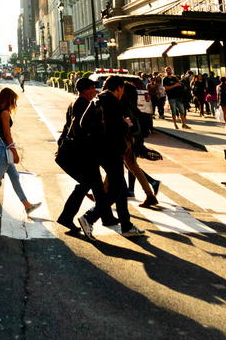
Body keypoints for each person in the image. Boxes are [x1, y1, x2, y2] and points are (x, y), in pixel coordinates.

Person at [77, 74, 145, 239]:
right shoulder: (112, 102)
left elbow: (82, 124)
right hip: (111, 150)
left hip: (99, 150)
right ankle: (89, 217)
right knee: (116, 190)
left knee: (120, 189)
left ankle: (126, 225)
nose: (122, 93)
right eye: (122, 90)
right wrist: (125, 124)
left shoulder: (97, 100)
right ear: (119, 88)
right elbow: (114, 128)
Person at [55, 76, 115, 231]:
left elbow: (68, 126)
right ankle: (67, 217)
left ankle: (106, 217)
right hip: (82, 153)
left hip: (81, 152)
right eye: (92, 88)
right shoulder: (83, 104)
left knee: (95, 186)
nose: (95, 90)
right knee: (91, 185)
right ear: (85, 90)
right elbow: (79, 129)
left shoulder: (78, 102)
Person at [0, 87, 40, 219]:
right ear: (9, 99)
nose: (14, 103)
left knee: (14, 176)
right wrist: (14, 152)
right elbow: (7, 134)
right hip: (4, 148)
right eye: (13, 100)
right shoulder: (5, 113)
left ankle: (27, 205)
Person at [120, 81, 160, 209]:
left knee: (117, 165)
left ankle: (103, 193)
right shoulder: (133, 107)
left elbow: (128, 124)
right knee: (132, 166)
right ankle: (150, 194)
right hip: (133, 139)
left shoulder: (124, 106)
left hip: (126, 139)